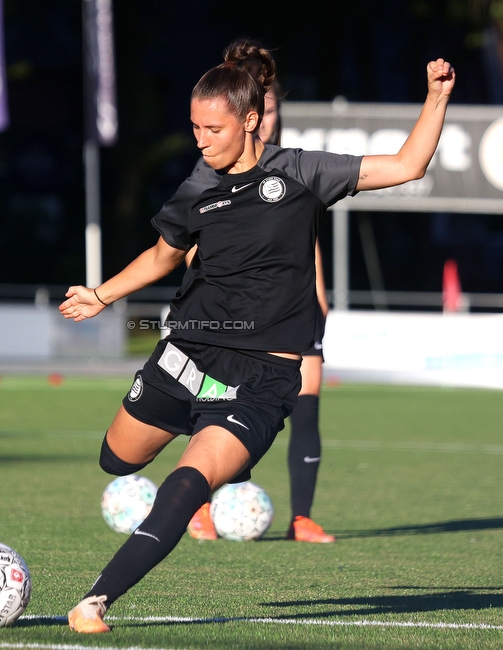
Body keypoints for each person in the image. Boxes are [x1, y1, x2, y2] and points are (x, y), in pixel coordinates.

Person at [60, 38, 455, 633]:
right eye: (194, 127)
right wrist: (102, 294)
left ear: (250, 120)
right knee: (116, 459)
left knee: (185, 484)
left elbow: (406, 166)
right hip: (186, 354)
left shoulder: (301, 171)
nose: (200, 139)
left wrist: (435, 97)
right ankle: (213, 442)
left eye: (212, 128)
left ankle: (95, 601)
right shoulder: (198, 184)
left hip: (261, 378)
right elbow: (162, 256)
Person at [184, 76, 335, 543]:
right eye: (261, 113)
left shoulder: (292, 169)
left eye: (273, 113)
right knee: (217, 410)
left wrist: (320, 296)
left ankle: (302, 518)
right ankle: (200, 508)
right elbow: (190, 247)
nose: (266, 121)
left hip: (293, 312)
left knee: (307, 407)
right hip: (234, 319)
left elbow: (302, 241)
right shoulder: (212, 171)